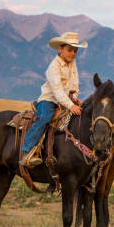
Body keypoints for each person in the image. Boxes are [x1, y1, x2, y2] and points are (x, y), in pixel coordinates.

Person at [20, 32, 87, 168]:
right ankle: (27, 150)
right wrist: (70, 105)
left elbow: (74, 82)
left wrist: (74, 98)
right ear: (60, 49)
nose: (73, 53)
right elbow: (57, 92)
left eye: (75, 50)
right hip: (49, 100)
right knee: (45, 117)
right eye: (69, 50)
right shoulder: (53, 67)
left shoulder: (72, 63)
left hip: (66, 100)